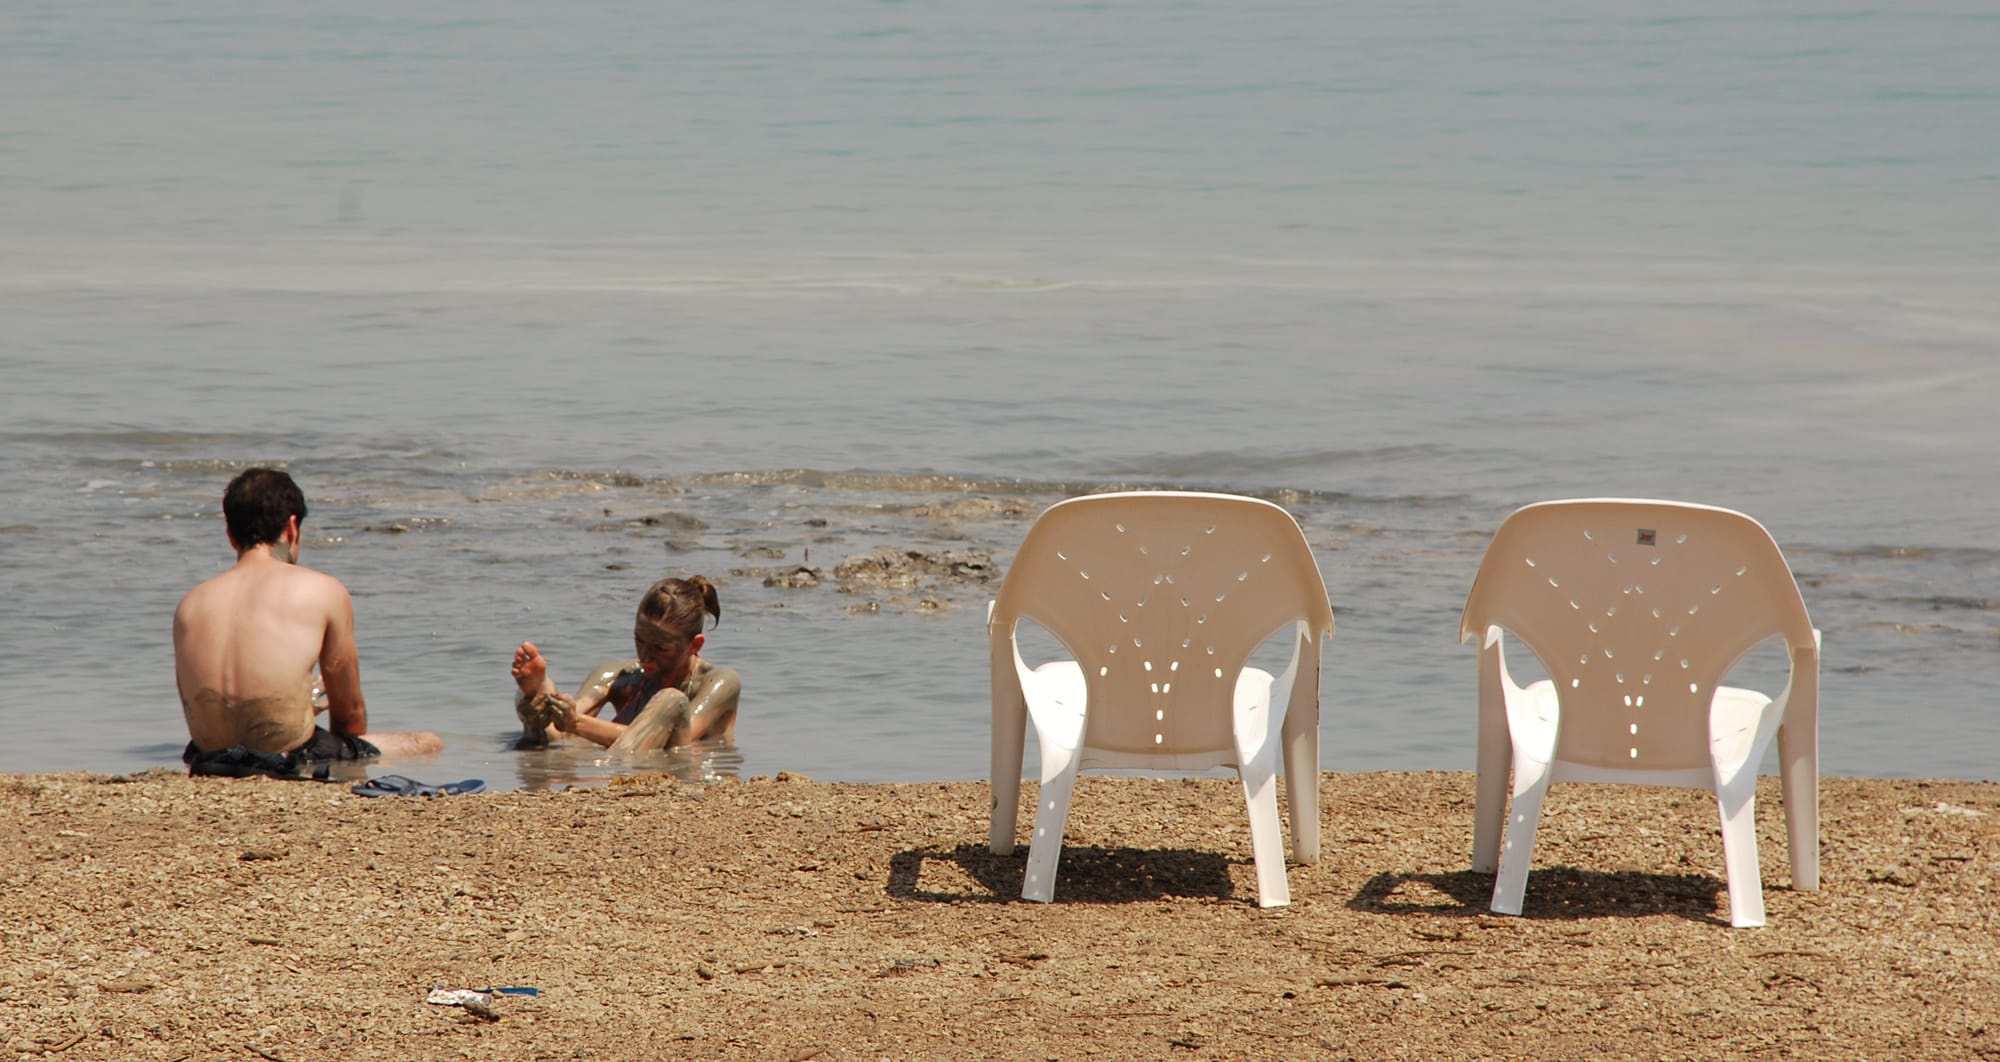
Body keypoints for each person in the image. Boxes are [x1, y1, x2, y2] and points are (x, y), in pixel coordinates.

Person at [173, 468, 442, 777]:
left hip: (208, 757)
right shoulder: (324, 590)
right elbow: (350, 715)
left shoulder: (190, 603)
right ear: (291, 528)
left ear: (230, 535)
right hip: (288, 757)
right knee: (428, 742)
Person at [511, 575, 741, 752]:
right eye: (639, 640)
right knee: (544, 726)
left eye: (661, 648)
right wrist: (543, 703)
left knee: (671, 701)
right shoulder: (621, 675)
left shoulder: (720, 682)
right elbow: (564, 728)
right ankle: (538, 693)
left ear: (695, 645)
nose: (645, 656)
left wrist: (576, 723)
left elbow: (680, 740)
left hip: (685, 780)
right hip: (621, 763)